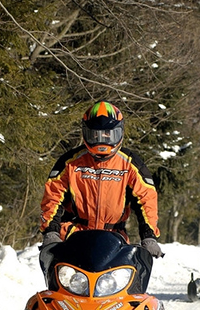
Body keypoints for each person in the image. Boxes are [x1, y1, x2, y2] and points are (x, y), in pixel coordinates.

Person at [39, 101, 163, 259]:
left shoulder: (131, 164)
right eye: (95, 135)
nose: (102, 141)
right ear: (86, 133)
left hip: (115, 239)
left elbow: (147, 200)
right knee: (60, 280)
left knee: (126, 281)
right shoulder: (71, 162)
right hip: (73, 236)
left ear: (119, 133)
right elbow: (52, 195)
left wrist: (149, 236)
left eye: (109, 134)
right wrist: (51, 232)